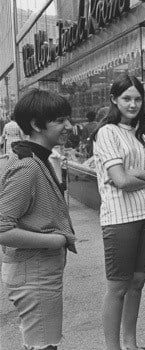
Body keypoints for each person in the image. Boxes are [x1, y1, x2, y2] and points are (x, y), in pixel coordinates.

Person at [91, 74, 145, 350]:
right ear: (114, 99)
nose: (133, 104)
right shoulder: (106, 133)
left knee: (137, 283)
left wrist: (134, 172)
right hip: (119, 221)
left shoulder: (140, 135)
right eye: (126, 98)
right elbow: (120, 182)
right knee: (118, 288)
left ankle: (131, 345)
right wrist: (144, 176)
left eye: (137, 99)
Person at [0, 89, 77, 350]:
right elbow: (1, 228)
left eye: (68, 118)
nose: (69, 126)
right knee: (44, 345)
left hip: (34, 269)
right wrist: (55, 241)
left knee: (40, 342)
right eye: (60, 120)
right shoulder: (28, 165)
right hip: (34, 271)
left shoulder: (35, 158)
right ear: (35, 124)